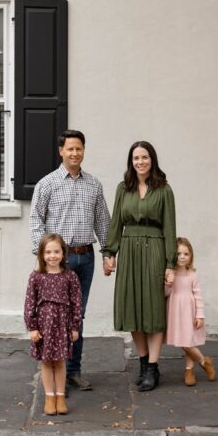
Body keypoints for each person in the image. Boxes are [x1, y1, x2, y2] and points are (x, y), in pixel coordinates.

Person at [29, 130, 112, 392]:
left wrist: (108, 253)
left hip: (85, 257)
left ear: (84, 151)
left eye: (79, 149)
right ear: (61, 151)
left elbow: (103, 221)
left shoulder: (94, 185)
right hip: (58, 263)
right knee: (53, 316)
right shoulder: (47, 184)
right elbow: (35, 221)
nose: (75, 153)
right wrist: (43, 257)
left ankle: (73, 370)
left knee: (77, 316)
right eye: (70, 149)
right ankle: (53, 367)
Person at [102, 140, 176, 392]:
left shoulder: (164, 190)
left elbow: (169, 228)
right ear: (130, 162)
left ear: (152, 160)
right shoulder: (123, 189)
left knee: (153, 311)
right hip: (129, 250)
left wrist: (170, 264)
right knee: (132, 309)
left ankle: (153, 367)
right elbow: (115, 224)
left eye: (145, 157)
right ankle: (144, 363)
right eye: (136, 158)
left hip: (154, 249)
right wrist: (109, 252)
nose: (140, 162)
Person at [24, 233, 82, 416]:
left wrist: (74, 327)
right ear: (41, 255)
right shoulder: (36, 277)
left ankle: (60, 396)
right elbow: (29, 303)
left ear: (64, 253)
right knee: (47, 361)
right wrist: (32, 327)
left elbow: (76, 303)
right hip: (44, 327)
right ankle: (49, 397)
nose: (52, 255)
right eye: (48, 252)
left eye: (56, 251)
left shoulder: (70, 276)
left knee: (60, 360)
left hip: (62, 325)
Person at [165, 237, 216, 386]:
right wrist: (168, 284)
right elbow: (165, 293)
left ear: (191, 256)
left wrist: (200, 315)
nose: (182, 256)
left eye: (186, 254)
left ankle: (189, 369)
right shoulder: (170, 273)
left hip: (189, 310)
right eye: (179, 253)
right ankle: (203, 361)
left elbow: (198, 297)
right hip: (175, 311)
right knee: (183, 341)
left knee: (187, 340)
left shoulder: (193, 275)